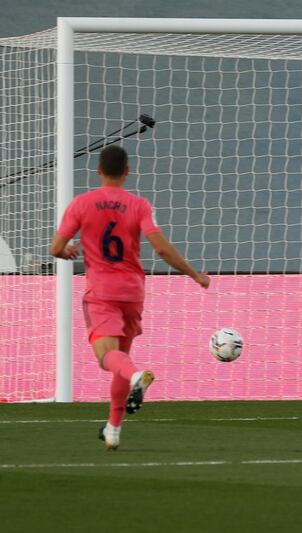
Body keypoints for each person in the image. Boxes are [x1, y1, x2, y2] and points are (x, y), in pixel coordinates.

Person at [50, 145, 210, 450]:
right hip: (134, 292)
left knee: (107, 358)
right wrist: (194, 273)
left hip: (101, 292)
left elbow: (56, 247)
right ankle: (113, 428)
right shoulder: (139, 205)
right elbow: (161, 248)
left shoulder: (82, 204)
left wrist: (67, 250)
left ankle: (137, 376)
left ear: (98, 170)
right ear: (127, 172)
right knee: (121, 357)